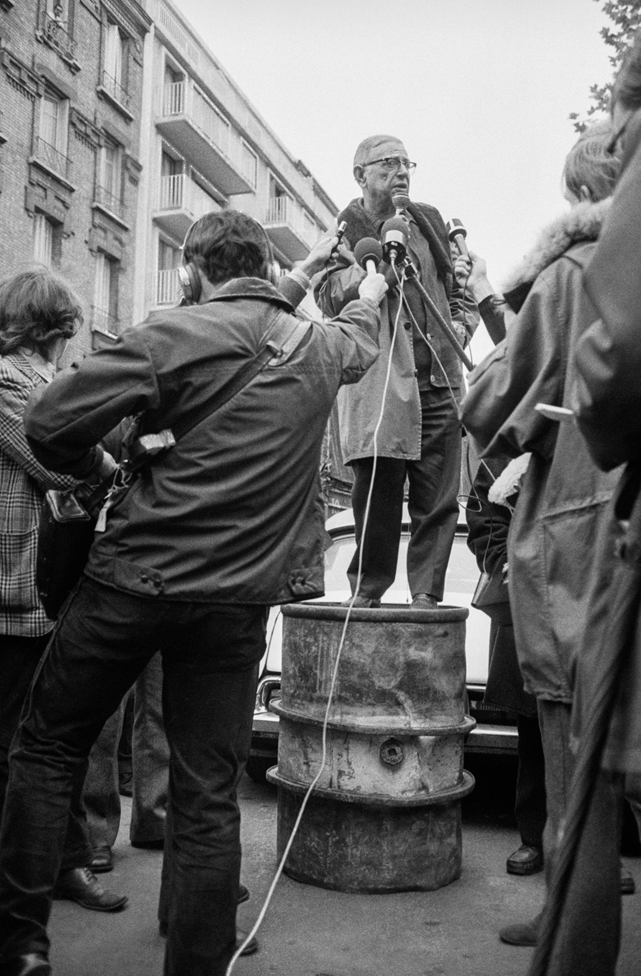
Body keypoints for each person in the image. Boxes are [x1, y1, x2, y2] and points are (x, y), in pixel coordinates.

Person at [0, 210, 386, 976]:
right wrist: (371, 285)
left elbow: (47, 424)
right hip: (238, 601)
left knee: (45, 748)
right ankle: (199, 963)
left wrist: (120, 455)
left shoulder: (171, 332)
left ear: (191, 266)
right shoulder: (321, 346)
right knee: (209, 789)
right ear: (262, 266)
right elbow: (361, 332)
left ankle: (20, 947)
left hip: (133, 581)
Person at [460, 122, 628, 965]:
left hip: (581, 546)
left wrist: (519, 292)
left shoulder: (573, 272)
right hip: (615, 530)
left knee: (578, 770)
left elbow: (485, 402)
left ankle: (571, 941)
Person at [0, 268, 128, 919]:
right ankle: (44, 872)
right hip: (15, 591)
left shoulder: (49, 383)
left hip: (47, 589)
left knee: (55, 737)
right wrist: (115, 469)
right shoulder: (7, 382)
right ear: (56, 325)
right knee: (25, 740)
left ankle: (62, 863)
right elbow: (58, 459)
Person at [314, 134, 477, 608]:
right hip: (381, 380)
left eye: (407, 163)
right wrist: (379, 268)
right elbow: (326, 296)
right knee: (377, 497)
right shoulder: (344, 233)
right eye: (388, 163)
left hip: (440, 381)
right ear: (360, 174)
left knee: (439, 500)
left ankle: (426, 596)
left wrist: (461, 329)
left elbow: (458, 288)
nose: (402, 171)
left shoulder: (427, 223)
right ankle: (367, 592)